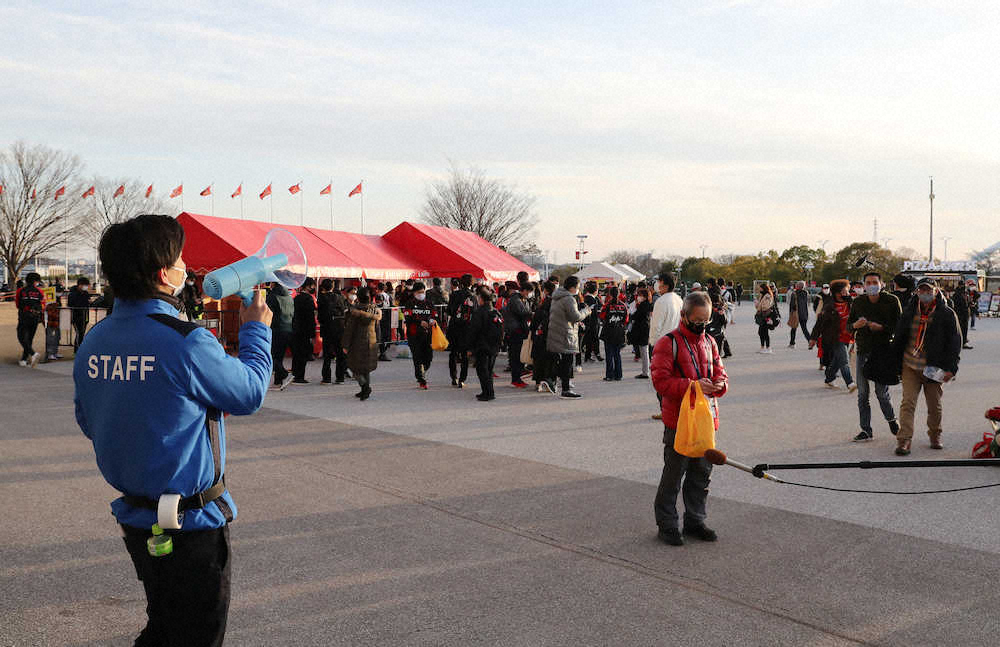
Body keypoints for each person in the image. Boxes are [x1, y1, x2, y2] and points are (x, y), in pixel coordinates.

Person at [73, 213, 272, 646]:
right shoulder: (186, 340)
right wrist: (257, 329)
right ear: (165, 274)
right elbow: (250, 393)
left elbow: (90, 420)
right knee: (196, 633)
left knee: (164, 623)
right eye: (180, 259)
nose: (185, 267)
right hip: (192, 522)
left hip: (137, 516)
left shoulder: (95, 340)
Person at [651, 291, 728, 546]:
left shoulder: (710, 342)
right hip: (679, 422)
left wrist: (719, 385)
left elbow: (721, 373)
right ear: (683, 315)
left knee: (701, 476)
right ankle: (667, 524)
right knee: (673, 476)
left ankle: (695, 520)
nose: (702, 326)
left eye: (706, 322)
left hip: (706, 421)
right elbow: (661, 382)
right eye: (697, 321)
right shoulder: (667, 343)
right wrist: (694, 386)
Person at [890, 278, 962, 455]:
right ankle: (904, 439)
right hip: (910, 365)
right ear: (916, 292)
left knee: (934, 405)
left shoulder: (946, 314)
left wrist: (951, 368)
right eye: (921, 290)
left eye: (928, 290)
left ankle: (935, 435)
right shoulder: (909, 311)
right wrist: (894, 362)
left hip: (933, 368)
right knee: (907, 403)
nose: (925, 293)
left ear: (936, 291)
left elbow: (955, 343)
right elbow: (899, 337)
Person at [848, 272, 901, 442]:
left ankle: (892, 420)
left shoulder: (891, 301)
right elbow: (849, 326)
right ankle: (866, 430)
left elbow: (899, 326)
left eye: (874, 282)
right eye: (868, 282)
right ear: (863, 285)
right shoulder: (858, 302)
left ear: (882, 284)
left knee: (881, 392)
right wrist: (856, 325)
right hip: (863, 350)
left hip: (883, 351)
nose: (871, 285)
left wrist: (882, 328)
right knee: (862, 394)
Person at [547, 275, 592, 398]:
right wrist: (586, 311)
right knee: (567, 362)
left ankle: (552, 380)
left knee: (561, 361)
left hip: (556, 332)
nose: (578, 290)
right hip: (565, 333)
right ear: (572, 287)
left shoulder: (556, 296)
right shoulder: (569, 299)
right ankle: (565, 389)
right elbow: (575, 317)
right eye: (577, 287)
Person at [810, 279, 856, 392]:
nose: (847, 293)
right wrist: (813, 338)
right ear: (838, 293)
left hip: (848, 336)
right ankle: (850, 383)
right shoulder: (829, 306)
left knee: (837, 360)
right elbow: (820, 322)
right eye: (845, 291)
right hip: (835, 337)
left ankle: (829, 379)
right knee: (844, 361)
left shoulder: (851, 303)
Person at [649, 272, 683, 420]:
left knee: (661, 381)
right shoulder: (679, 299)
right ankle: (676, 410)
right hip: (678, 343)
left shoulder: (661, 302)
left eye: (659, 281)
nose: (657, 284)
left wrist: (652, 343)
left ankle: (666, 411)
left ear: (665, 284)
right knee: (675, 379)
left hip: (662, 345)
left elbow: (656, 326)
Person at [342, 286, 381, 400]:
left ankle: (364, 387)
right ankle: (365, 389)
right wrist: (378, 341)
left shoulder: (354, 311)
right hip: (371, 341)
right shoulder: (374, 310)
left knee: (354, 366)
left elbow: (349, 329)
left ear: (358, 297)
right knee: (366, 367)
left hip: (357, 342)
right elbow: (378, 328)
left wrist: (345, 344)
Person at [468, 286, 504, 401]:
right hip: (494, 346)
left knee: (482, 370)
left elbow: (473, 330)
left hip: (482, 346)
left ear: (481, 299)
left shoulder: (479, 312)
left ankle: (488, 393)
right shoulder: (495, 312)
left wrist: (470, 347)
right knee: (489, 370)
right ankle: (488, 391)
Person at [403, 281, 440, 389]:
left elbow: (435, 315)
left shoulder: (429, 303)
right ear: (414, 293)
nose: (421, 294)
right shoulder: (409, 303)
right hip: (414, 335)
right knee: (417, 357)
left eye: (423, 292)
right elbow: (408, 318)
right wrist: (419, 322)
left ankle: (422, 371)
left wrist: (432, 321)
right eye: (419, 292)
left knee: (428, 358)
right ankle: (421, 379)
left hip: (428, 335)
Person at [317, 279, 348, 385]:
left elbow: (320, 316)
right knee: (339, 353)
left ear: (323, 287)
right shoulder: (339, 297)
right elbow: (343, 310)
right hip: (339, 327)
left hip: (327, 328)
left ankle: (326, 378)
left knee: (327, 354)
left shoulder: (321, 298)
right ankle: (340, 377)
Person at [446, 274, 475, 387]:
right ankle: (462, 379)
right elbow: (474, 313)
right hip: (466, 328)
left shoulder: (454, 294)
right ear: (471, 283)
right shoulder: (472, 296)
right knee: (464, 354)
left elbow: (449, 310)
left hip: (454, 326)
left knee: (453, 353)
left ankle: (454, 377)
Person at [266, 282, 294, 390]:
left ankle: (283, 373)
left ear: (273, 284)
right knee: (279, 355)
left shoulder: (272, 297)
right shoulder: (289, 297)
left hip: (276, 328)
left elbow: (268, 313)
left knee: (272, 355)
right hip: (288, 327)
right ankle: (278, 381)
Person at [504, 282, 532, 388]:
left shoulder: (522, 300)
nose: (529, 294)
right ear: (523, 290)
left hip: (520, 330)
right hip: (515, 332)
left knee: (519, 355)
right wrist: (534, 314)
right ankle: (516, 379)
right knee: (515, 356)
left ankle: (518, 377)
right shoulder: (515, 300)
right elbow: (524, 313)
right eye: (528, 292)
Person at [15, 271, 45, 367]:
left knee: (21, 336)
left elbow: (17, 304)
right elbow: (43, 304)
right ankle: (24, 359)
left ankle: (32, 354)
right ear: (36, 281)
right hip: (35, 317)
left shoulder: (21, 291)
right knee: (30, 338)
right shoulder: (40, 291)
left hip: (24, 316)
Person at [290, 277, 317, 384]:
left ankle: (295, 374)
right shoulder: (308, 299)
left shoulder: (296, 298)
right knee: (303, 354)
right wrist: (312, 333)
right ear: (308, 286)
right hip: (305, 330)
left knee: (296, 354)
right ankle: (300, 376)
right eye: (312, 285)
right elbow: (310, 318)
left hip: (296, 328)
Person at [531, 281, 557, 393]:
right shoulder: (557, 303)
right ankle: (550, 381)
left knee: (538, 360)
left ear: (545, 290)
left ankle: (538, 383)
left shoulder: (543, 303)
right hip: (553, 335)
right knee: (551, 360)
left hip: (540, 335)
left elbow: (535, 321)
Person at [599, 285, 629, 381]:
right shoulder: (623, 306)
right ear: (619, 294)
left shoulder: (607, 305)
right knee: (617, 354)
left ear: (610, 294)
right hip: (619, 333)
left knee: (609, 355)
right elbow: (626, 320)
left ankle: (609, 375)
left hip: (608, 332)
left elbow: (602, 317)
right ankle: (618, 375)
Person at [631, 287, 653, 377]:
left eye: (639, 295)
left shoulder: (643, 305)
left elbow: (636, 316)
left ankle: (645, 372)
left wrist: (633, 313)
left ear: (644, 296)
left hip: (642, 330)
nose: (638, 297)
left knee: (644, 351)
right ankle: (645, 371)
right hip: (645, 329)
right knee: (644, 351)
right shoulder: (648, 304)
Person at [67, 277, 93, 351]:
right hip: (76, 317)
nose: (86, 287)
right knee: (79, 333)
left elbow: (88, 303)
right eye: (85, 285)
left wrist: (90, 303)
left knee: (82, 333)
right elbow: (71, 304)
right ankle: (78, 349)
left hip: (85, 316)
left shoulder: (86, 293)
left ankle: (78, 348)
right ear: (80, 285)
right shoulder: (72, 294)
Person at [754, 283, 776, 353]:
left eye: (760, 288)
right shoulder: (762, 295)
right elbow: (760, 307)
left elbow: (765, 307)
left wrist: (758, 304)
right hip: (762, 315)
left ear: (763, 288)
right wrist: (757, 305)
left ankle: (768, 348)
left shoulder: (768, 296)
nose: (759, 289)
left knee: (765, 332)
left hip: (767, 316)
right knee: (761, 332)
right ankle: (762, 347)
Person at [951, 283, 973, 350]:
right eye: (965, 293)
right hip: (961, 316)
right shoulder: (959, 296)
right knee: (962, 330)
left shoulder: (957, 295)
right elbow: (962, 307)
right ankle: (962, 343)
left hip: (961, 316)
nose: (966, 294)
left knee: (960, 330)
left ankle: (962, 341)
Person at [788, 280, 810, 347]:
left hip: (796, 314)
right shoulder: (806, 293)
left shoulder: (794, 293)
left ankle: (792, 343)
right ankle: (810, 341)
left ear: (797, 286)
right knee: (804, 329)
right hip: (804, 314)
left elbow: (792, 305)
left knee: (793, 329)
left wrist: (790, 314)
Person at [44, 293, 63, 361]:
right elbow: (49, 312)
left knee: (57, 337)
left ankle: (55, 352)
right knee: (50, 338)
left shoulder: (58, 301)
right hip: (51, 322)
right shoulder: (50, 302)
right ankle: (50, 353)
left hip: (57, 322)